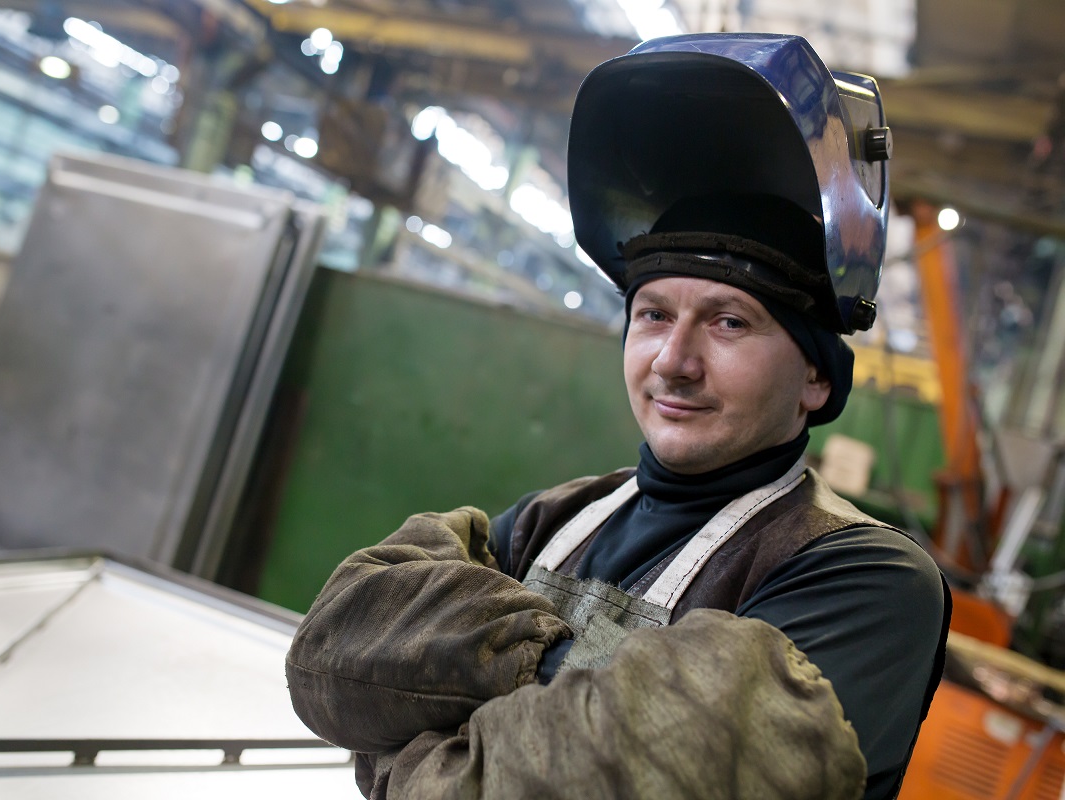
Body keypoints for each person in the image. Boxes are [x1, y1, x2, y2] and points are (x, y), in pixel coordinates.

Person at [287, 32, 949, 800]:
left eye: (730, 321)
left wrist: (409, 756)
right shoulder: (553, 521)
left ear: (812, 375)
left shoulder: (864, 577)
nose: (675, 359)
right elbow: (331, 650)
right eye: (654, 314)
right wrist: (571, 681)